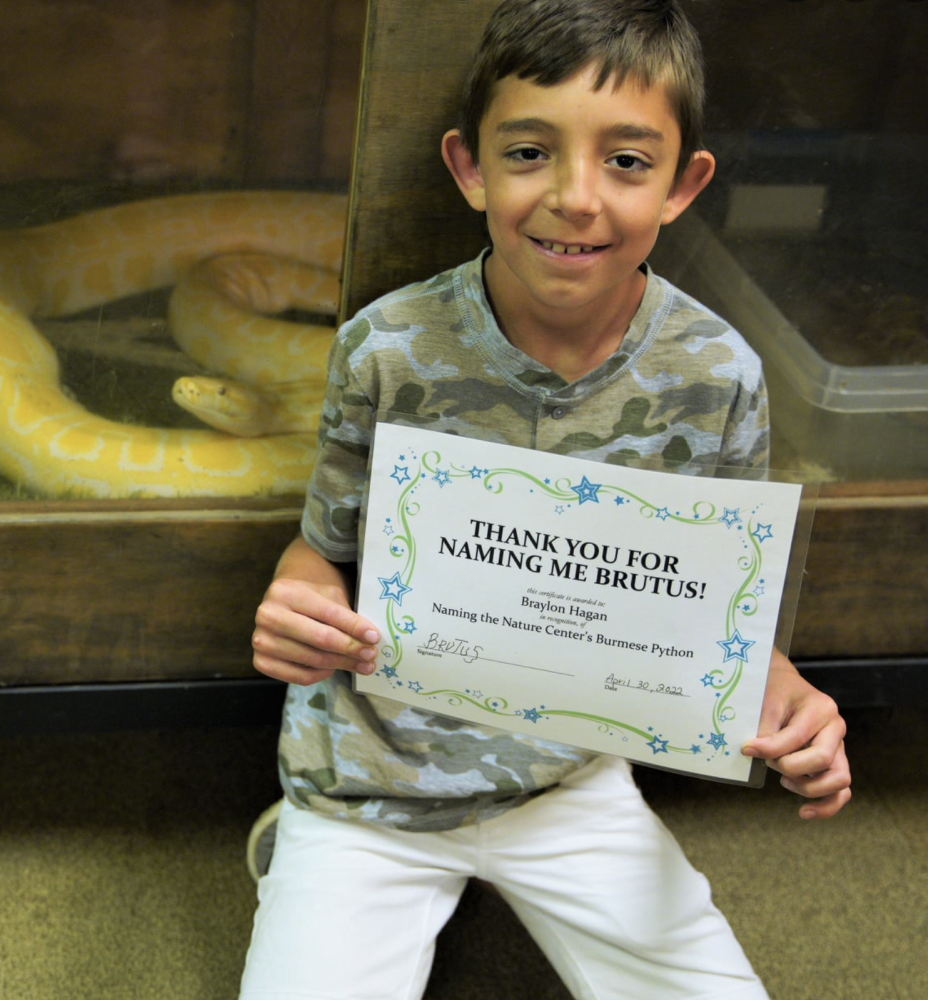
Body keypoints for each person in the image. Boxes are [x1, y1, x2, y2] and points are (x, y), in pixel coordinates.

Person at [239, 2, 853, 998]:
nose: (574, 197)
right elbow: (324, 547)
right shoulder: (385, 346)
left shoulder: (721, 377)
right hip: (367, 787)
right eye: (529, 151)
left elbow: (719, 628)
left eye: (625, 160)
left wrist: (786, 702)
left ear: (681, 185)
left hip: (571, 781)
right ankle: (305, 861)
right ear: (471, 168)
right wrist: (293, 601)